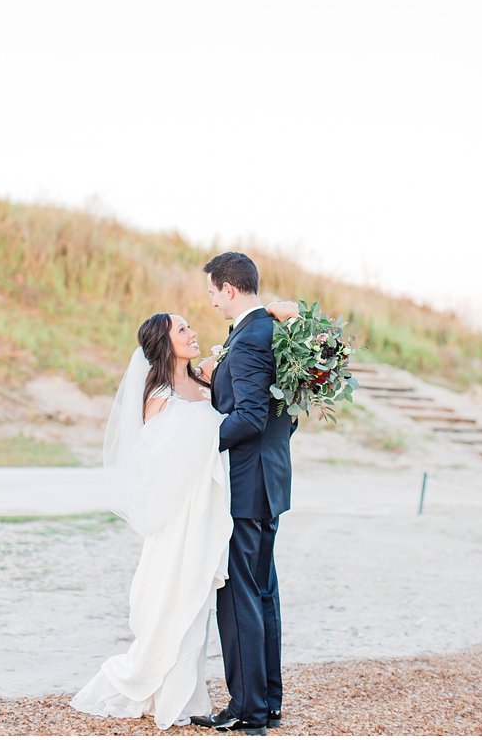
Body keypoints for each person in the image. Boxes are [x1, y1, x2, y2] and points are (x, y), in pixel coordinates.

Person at [70, 293, 297, 732]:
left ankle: (191, 691)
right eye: (182, 329)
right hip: (180, 514)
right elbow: (161, 458)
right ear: (164, 343)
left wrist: (269, 314)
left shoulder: (207, 382)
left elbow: (236, 418)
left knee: (202, 601)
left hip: (212, 509)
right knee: (171, 598)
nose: (193, 332)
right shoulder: (157, 396)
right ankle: (148, 679)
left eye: (191, 325)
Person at [191, 252, 298, 737]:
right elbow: (285, 414)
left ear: (229, 289)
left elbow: (251, 417)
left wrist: (195, 444)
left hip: (246, 486)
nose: (211, 300)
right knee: (263, 593)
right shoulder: (271, 333)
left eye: (213, 292)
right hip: (268, 480)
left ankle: (248, 710)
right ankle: (268, 703)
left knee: (239, 597)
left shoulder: (252, 337)